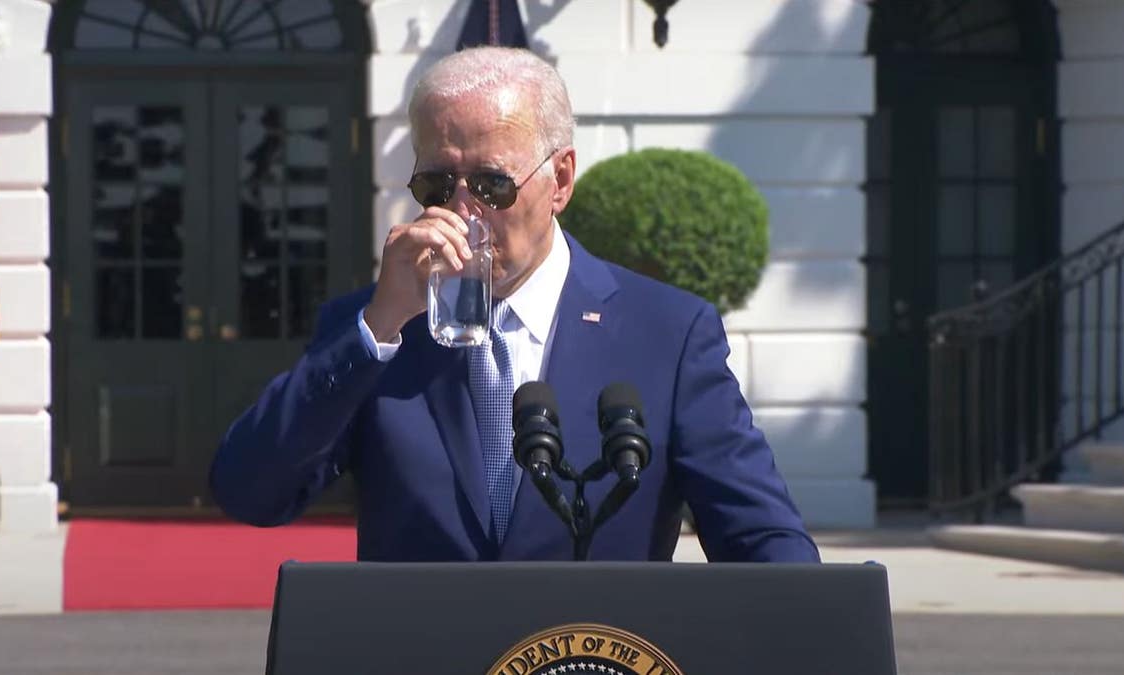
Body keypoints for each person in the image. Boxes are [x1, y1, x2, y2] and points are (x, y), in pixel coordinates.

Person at [209, 46, 820, 563]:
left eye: (493, 184)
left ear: (561, 180)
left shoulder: (667, 331)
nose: (464, 209)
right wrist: (379, 325)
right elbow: (251, 492)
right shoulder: (373, 329)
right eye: (437, 185)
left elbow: (760, 536)